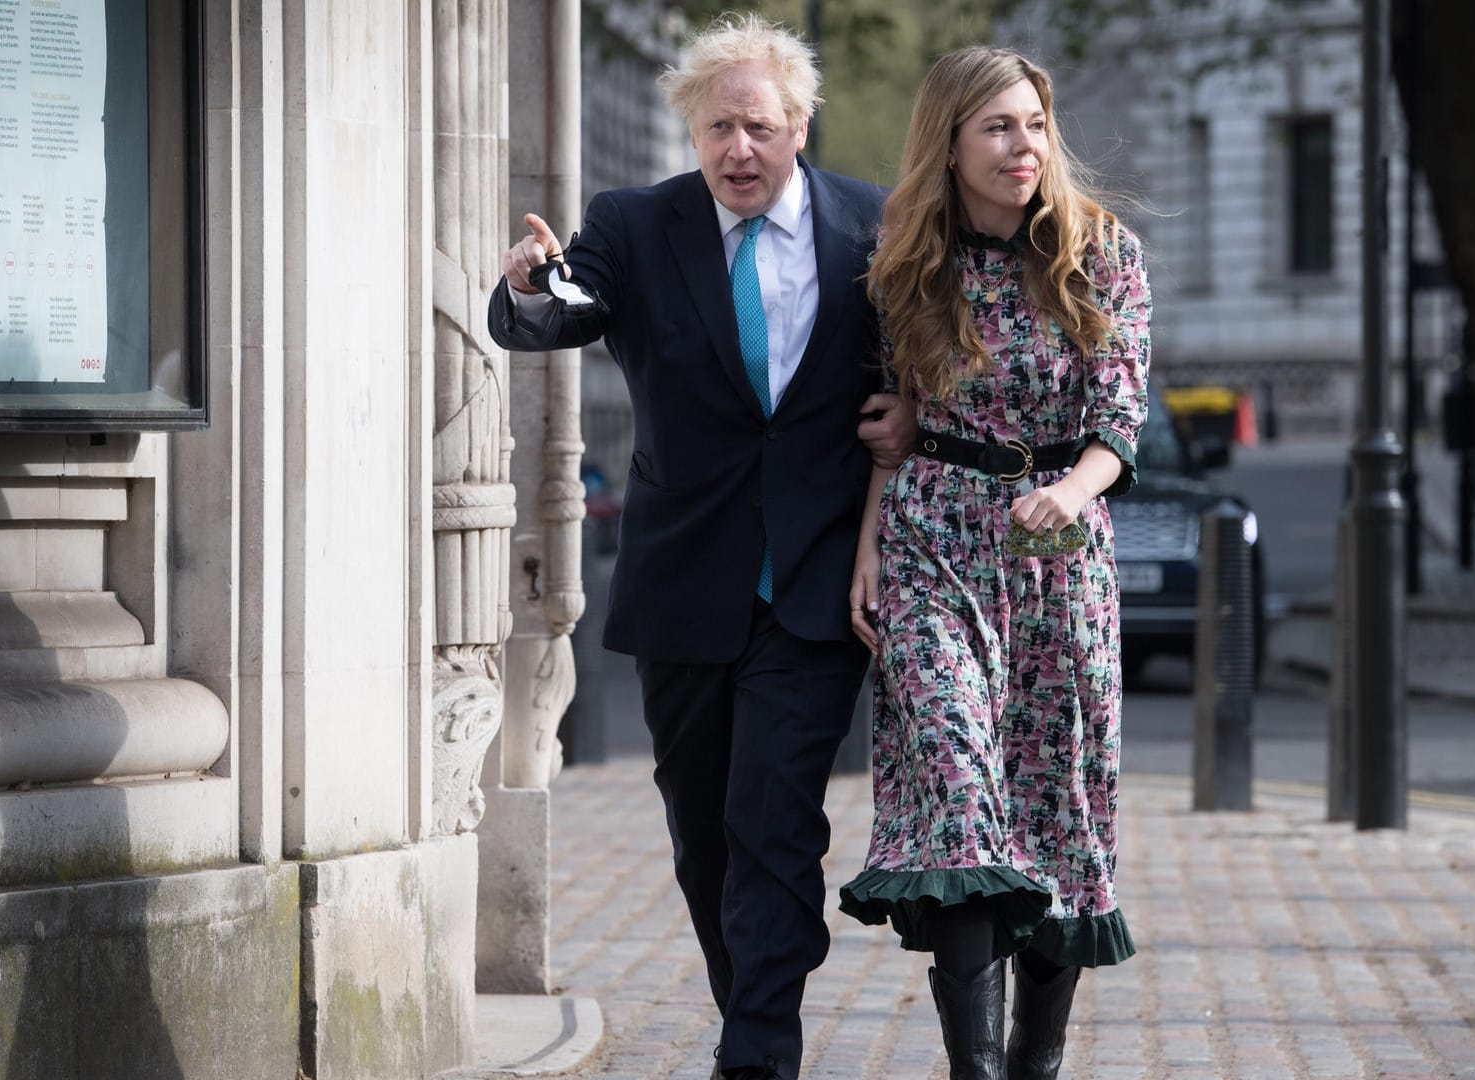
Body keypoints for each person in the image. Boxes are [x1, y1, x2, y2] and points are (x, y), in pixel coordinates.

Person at [488, 15, 913, 1080]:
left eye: (760, 128)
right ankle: (752, 1001)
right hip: (687, 579)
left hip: (814, 579)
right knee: (705, 832)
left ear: (799, 125)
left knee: (775, 817)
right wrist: (533, 285)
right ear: (692, 129)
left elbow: (923, 365)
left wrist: (910, 418)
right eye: (719, 127)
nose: (739, 151)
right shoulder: (635, 226)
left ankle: (759, 1053)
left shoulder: (874, 225)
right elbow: (567, 307)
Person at [836, 46, 1148, 1080]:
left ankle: (1034, 1060)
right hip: (934, 539)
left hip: (1058, 547)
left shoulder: (1100, 251)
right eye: (998, 128)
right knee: (960, 786)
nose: (1023, 147)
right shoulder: (909, 263)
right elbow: (900, 421)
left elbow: (1120, 415)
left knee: (1059, 802)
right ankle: (973, 1068)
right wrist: (873, 539)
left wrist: (1073, 487)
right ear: (951, 143)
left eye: (1034, 125)